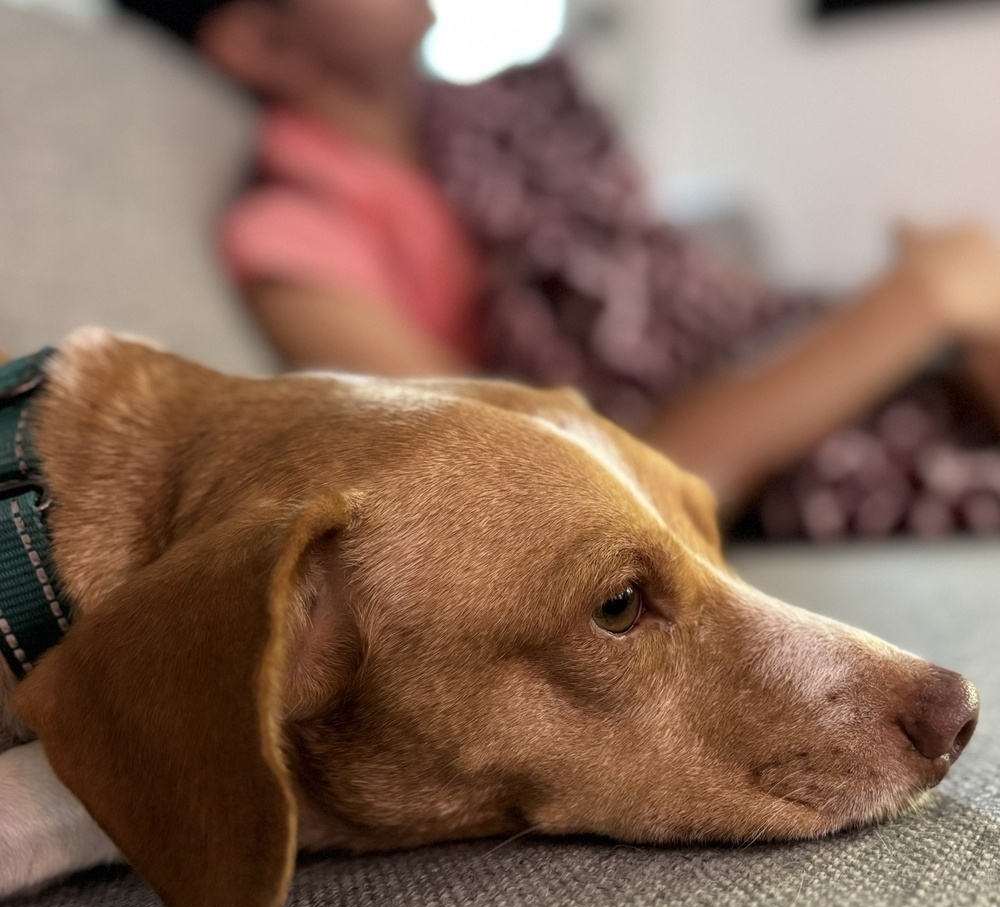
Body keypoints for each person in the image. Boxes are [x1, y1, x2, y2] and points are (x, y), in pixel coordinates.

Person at [116, 0, 1000, 537]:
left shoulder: (517, 132)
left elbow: (673, 297)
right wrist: (912, 304)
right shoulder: (297, 239)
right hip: (692, 453)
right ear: (264, 42)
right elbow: (558, 486)